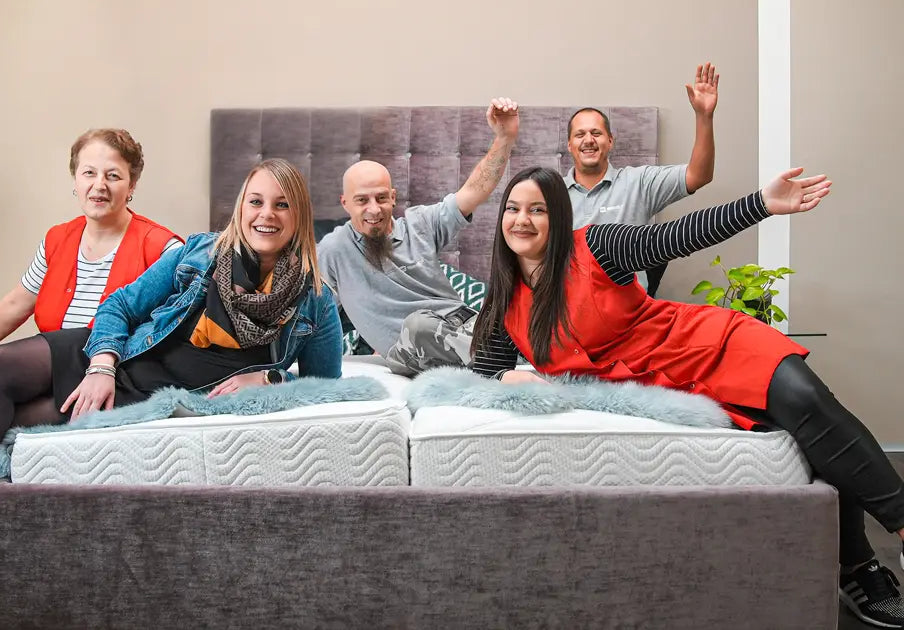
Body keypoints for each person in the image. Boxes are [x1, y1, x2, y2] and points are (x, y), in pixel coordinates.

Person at [0, 158, 341, 626]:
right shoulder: (201, 252)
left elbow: (327, 387)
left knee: (1, 423)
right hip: (119, 355)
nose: (266, 215)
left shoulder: (315, 299)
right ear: (241, 207)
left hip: (153, 391)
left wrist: (271, 380)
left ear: (299, 215)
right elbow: (120, 305)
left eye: (282, 205)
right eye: (256, 201)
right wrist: (102, 364)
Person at [471, 165, 904, 629]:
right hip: (664, 387)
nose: (522, 220)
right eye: (513, 209)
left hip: (700, 343)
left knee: (807, 401)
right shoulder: (503, 300)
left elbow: (676, 237)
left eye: (537, 210)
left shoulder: (596, 245)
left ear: (558, 217)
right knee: (805, 437)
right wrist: (505, 377)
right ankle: (860, 568)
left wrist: (761, 203)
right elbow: (482, 371)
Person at [0, 128, 182, 560]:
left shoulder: (163, 247)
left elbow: (174, 329)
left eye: (113, 175)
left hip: (112, 372)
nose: (99, 185)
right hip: (53, 365)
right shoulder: (58, 238)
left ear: (132, 184)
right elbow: (18, 301)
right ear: (75, 179)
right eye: (89, 173)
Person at [318, 98, 520, 377]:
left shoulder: (420, 224)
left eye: (381, 198)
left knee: (511, 312)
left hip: (465, 328)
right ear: (345, 203)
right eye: (362, 200)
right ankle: (498, 364)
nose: (374, 209)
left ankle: (505, 352)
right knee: (417, 325)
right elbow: (311, 312)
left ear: (393, 197)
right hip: (411, 345)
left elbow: (474, 191)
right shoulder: (333, 250)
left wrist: (505, 137)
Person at [565, 62, 720, 292]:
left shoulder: (638, 182)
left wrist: (704, 116)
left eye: (596, 133)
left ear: (610, 141)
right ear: (569, 145)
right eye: (580, 134)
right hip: (570, 305)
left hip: (629, 307)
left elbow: (698, 175)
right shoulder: (550, 194)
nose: (589, 140)